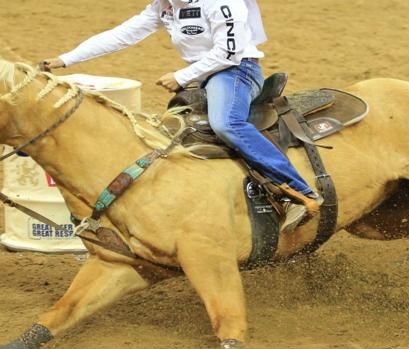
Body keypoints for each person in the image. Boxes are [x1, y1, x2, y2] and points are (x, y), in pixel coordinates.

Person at [41, 0, 322, 232]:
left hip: (237, 71)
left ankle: (300, 193)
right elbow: (122, 34)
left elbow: (230, 52)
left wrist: (182, 75)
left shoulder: (221, 2)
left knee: (227, 124)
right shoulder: (165, 6)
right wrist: (66, 59)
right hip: (206, 77)